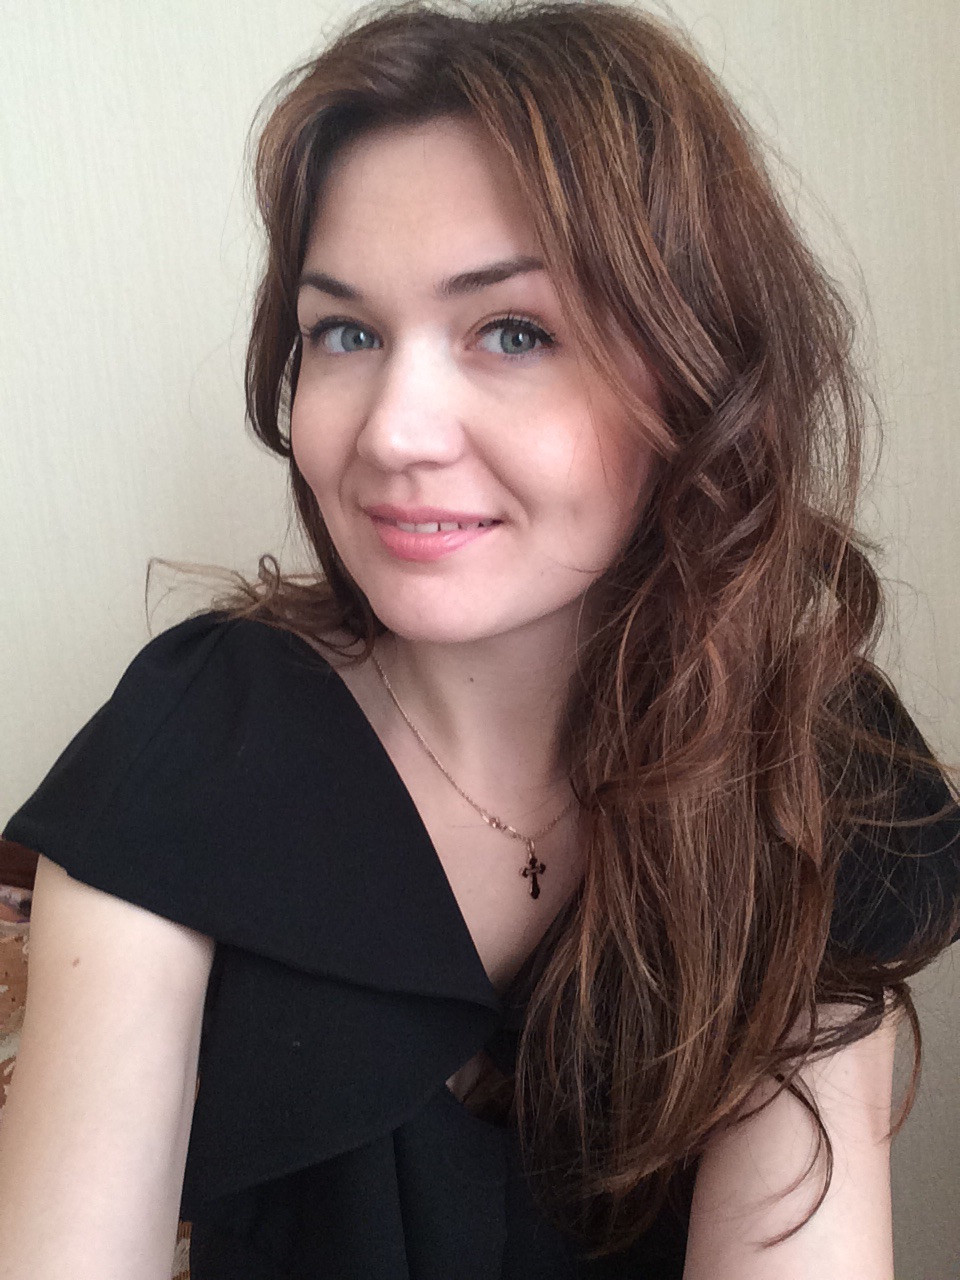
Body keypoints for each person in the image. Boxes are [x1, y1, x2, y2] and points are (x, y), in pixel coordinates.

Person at [1, 1, 958, 1276]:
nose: (393, 431)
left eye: (515, 331)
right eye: (345, 331)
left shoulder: (810, 761)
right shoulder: (193, 743)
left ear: (697, 373)